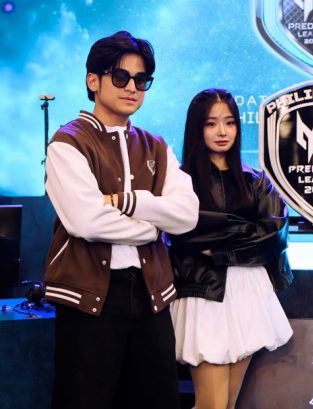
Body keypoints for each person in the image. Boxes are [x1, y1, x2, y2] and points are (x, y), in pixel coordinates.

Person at [43, 31, 199, 409]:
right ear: (93, 81)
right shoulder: (68, 142)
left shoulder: (156, 146)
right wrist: (154, 225)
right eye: (120, 76)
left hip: (150, 295)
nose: (132, 87)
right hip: (89, 298)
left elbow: (187, 215)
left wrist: (132, 202)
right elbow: (87, 222)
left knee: (156, 400)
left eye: (141, 80)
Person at [168, 88, 293, 409]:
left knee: (227, 405)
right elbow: (185, 232)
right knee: (211, 405)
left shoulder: (256, 180)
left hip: (248, 293)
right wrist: (246, 229)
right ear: (197, 129)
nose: (222, 131)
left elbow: (274, 237)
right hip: (203, 293)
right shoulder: (180, 182)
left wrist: (221, 248)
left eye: (230, 122)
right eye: (211, 124)